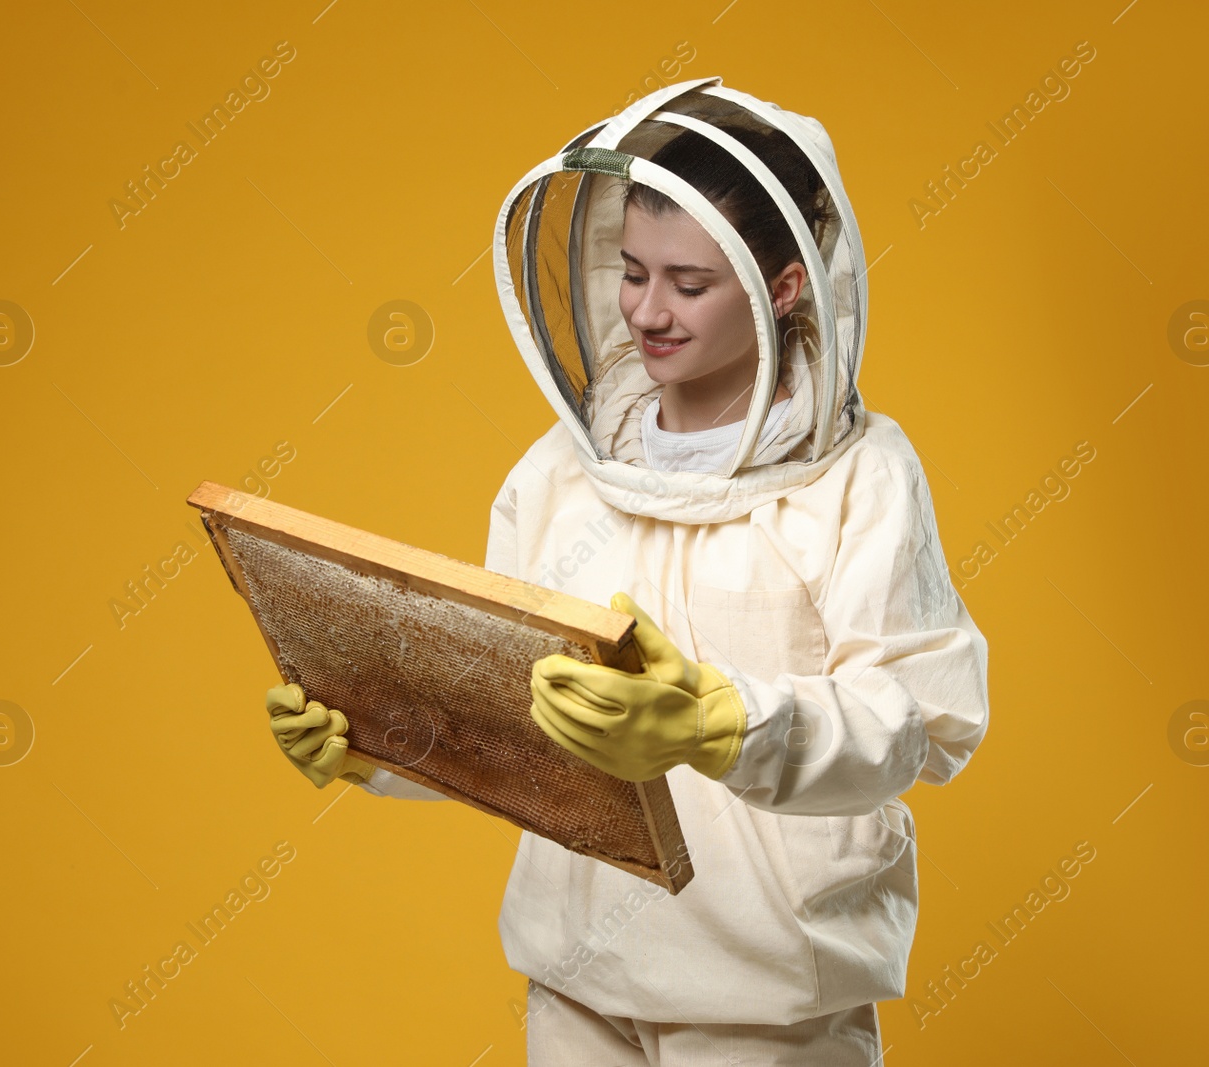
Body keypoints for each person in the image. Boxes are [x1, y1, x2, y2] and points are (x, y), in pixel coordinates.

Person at [264, 76, 990, 1065]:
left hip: (770, 996)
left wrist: (719, 722)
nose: (647, 310)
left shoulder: (861, 473)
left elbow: (919, 717)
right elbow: (509, 704)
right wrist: (377, 736)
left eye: (689, 284)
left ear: (784, 286)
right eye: (631, 270)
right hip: (576, 978)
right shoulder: (561, 467)